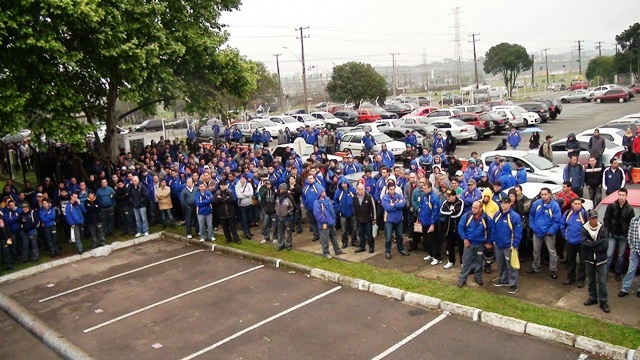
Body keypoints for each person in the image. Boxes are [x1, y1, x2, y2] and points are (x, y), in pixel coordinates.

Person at [457, 201, 494, 288]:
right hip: (468, 244)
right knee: (466, 262)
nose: (473, 209)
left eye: (475, 208)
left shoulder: (486, 219)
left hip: (480, 244)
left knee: (479, 262)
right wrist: (464, 239)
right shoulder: (466, 216)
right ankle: (462, 279)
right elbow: (460, 227)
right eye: (472, 207)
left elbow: (491, 231)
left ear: (481, 209)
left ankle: (478, 277)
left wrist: (489, 242)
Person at [528, 187, 561, 279]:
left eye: (545, 194)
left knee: (552, 251)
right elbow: (531, 216)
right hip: (537, 231)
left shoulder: (554, 206)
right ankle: (535, 267)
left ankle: (553, 269)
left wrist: (551, 231)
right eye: (542, 194)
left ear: (550, 195)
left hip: (548, 233)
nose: (543, 196)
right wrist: (533, 227)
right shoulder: (536, 204)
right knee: (536, 250)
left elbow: (557, 221)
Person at [581, 209, 610, 313]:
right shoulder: (584, 229)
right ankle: (592, 297)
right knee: (591, 280)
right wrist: (597, 242)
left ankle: (603, 301)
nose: (595, 220)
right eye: (593, 218)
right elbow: (584, 244)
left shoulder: (602, 229)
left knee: (602, 281)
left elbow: (605, 245)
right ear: (589, 219)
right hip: (589, 259)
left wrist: (592, 244)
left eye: (596, 217)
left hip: (601, 259)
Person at [603, 187, 634, 281]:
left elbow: (631, 223)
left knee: (621, 256)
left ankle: (618, 274)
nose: (621, 197)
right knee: (609, 254)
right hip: (612, 234)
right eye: (620, 195)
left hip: (623, 236)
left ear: (626, 196)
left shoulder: (629, 209)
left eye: (623, 195)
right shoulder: (611, 206)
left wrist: (627, 234)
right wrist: (608, 231)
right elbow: (606, 219)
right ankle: (604, 274)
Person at [492, 197, 522, 294]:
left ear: (510, 204)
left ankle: (513, 284)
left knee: (511, 266)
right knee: (501, 264)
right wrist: (494, 240)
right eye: (502, 203)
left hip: (509, 246)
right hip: (498, 245)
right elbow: (493, 228)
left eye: (505, 203)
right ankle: (503, 279)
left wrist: (514, 245)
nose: (503, 205)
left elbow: (518, 232)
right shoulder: (497, 215)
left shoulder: (515, 217)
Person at [561, 198, 588, 288]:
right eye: (575, 203)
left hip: (581, 242)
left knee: (582, 262)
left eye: (579, 204)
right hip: (569, 241)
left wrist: (584, 239)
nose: (577, 205)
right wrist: (565, 235)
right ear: (572, 204)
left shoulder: (584, 214)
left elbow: (588, 227)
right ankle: (570, 278)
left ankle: (581, 280)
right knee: (570, 261)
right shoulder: (568, 213)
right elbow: (562, 225)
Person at [381, 181, 409, 259]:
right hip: (389, 220)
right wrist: (397, 205)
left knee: (399, 236)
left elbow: (402, 204)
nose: (392, 191)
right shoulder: (385, 197)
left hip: (398, 219)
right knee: (388, 237)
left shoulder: (399, 195)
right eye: (391, 189)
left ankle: (401, 249)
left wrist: (394, 204)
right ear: (388, 189)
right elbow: (387, 208)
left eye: (393, 189)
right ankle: (388, 251)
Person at [313, 189, 344, 259]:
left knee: (334, 238)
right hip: (324, 224)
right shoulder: (317, 203)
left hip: (331, 223)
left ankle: (338, 251)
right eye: (322, 192)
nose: (324, 193)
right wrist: (326, 221)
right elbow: (318, 215)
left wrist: (333, 219)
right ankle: (326, 253)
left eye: (324, 191)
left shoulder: (328, 199)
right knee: (324, 239)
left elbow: (332, 209)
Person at [418, 180, 441, 265]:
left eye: (425, 188)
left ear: (430, 188)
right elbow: (421, 205)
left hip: (431, 223)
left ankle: (437, 257)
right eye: (423, 188)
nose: (423, 190)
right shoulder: (424, 196)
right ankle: (431, 254)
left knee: (433, 241)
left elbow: (435, 212)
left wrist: (433, 224)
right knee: (427, 240)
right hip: (424, 222)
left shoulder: (434, 198)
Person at [441, 189, 464, 269]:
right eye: (447, 196)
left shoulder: (460, 202)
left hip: (458, 228)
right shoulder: (445, 202)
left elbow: (458, 214)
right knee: (449, 245)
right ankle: (451, 261)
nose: (448, 198)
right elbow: (442, 211)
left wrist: (450, 213)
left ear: (454, 196)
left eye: (450, 196)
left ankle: (462, 262)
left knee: (461, 246)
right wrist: (451, 212)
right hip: (448, 227)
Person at [619, 213, 640, 298]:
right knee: (631, 269)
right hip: (635, 250)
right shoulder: (634, 220)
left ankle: (639, 290)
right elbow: (630, 234)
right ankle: (625, 288)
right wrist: (631, 246)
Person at [334, 176, 357, 248]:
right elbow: (335, 202)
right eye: (342, 183)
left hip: (352, 213)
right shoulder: (338, 191)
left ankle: (354, 241)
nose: (343, 185)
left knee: (354, 228)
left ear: (347, 183)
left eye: (345, 183)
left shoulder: (352, 190)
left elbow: (356, 200)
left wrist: (354, 210)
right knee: (344, 230)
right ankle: (344, 242)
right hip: (343, 214)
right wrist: (339, 209)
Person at [353, 183, 376, 254]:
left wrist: (374, 219)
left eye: (362, 189)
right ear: (357, 190)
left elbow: (373, 209)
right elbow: (354, 208)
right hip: (359, 220)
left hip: (367, 220)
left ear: (364, 189)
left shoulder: (369, 197)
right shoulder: (355, 197)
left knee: (369, 234)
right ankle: (362, 247)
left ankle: (371, 247)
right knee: (361, 234)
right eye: (359, 189)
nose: (360, 191)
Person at [303, 174, 325, 241]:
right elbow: (304, 198)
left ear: (314, 179)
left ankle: (322, 237)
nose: (309, 180)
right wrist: (305, 205)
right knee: (312, 222)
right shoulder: (305, 188)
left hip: (317, 209)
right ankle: (316, 235)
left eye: (311, 178)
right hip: (309, 209)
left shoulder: (318, 187)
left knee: (320, 222)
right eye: (308, 178)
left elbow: (323, 197)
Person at [274, 183, 295, 251]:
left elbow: (293, 207)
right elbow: (275, 205)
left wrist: (288, 213)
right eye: (280, 189)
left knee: (288, 233)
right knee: (280, 232)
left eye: (282, 189)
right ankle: (281, 245)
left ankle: (288, 244)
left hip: (288, 218)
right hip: (279, 218)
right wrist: (277, 211)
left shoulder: (289, 197)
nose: (281, 190)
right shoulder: (277, 197)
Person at [259, 179, 277, 244]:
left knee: (275, 226)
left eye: (269, 184)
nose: (268, 186)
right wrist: (265, 208)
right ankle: (266, 237)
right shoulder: (265, 192)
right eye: (267, 184)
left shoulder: (275, 192)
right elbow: (262, 201)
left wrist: (275, 209)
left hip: (274, 212)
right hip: (267, 212)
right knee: (265, 225)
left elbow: (277, 201)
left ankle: (275, 237)